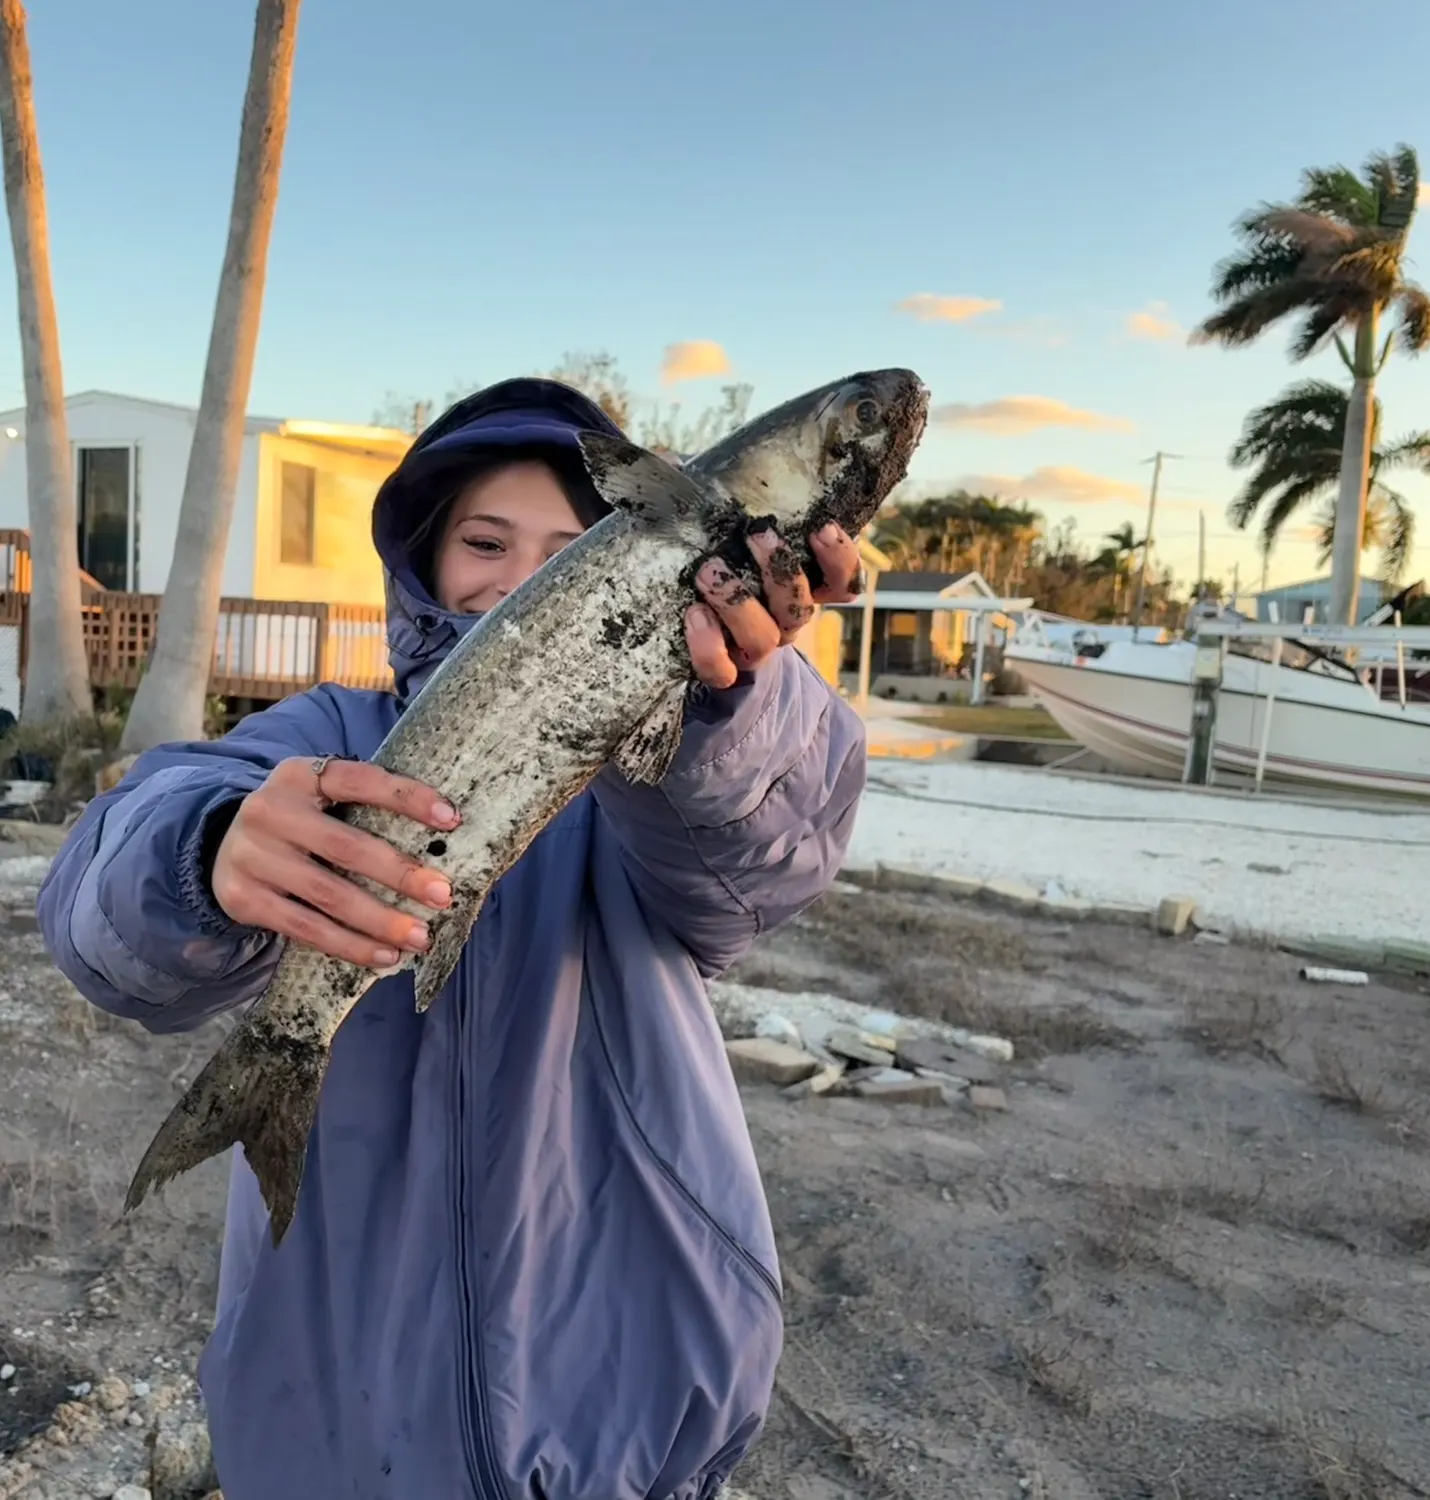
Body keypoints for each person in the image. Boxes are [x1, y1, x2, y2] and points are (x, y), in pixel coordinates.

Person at [35, 377, 868, 1500]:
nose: (520, 576)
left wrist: (738, 699)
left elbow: (776, 857)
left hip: (619, 1395)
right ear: (421, 561)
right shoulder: (333, 734)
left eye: (574, 546)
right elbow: (109, 891)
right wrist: (211, 849)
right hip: (331, 1411)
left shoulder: (665, 772)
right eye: (484, 540)